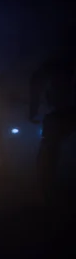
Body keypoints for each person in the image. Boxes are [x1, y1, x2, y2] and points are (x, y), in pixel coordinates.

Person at [29, 47, 76, 183]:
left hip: (63, 112)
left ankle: (46, 181)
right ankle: (46, 181)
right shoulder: (56, 65)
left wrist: (33, 111)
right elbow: (36, 83)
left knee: (50, 144)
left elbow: (36, 83)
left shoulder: (54, 65)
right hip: (62, 112)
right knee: (50, 145)